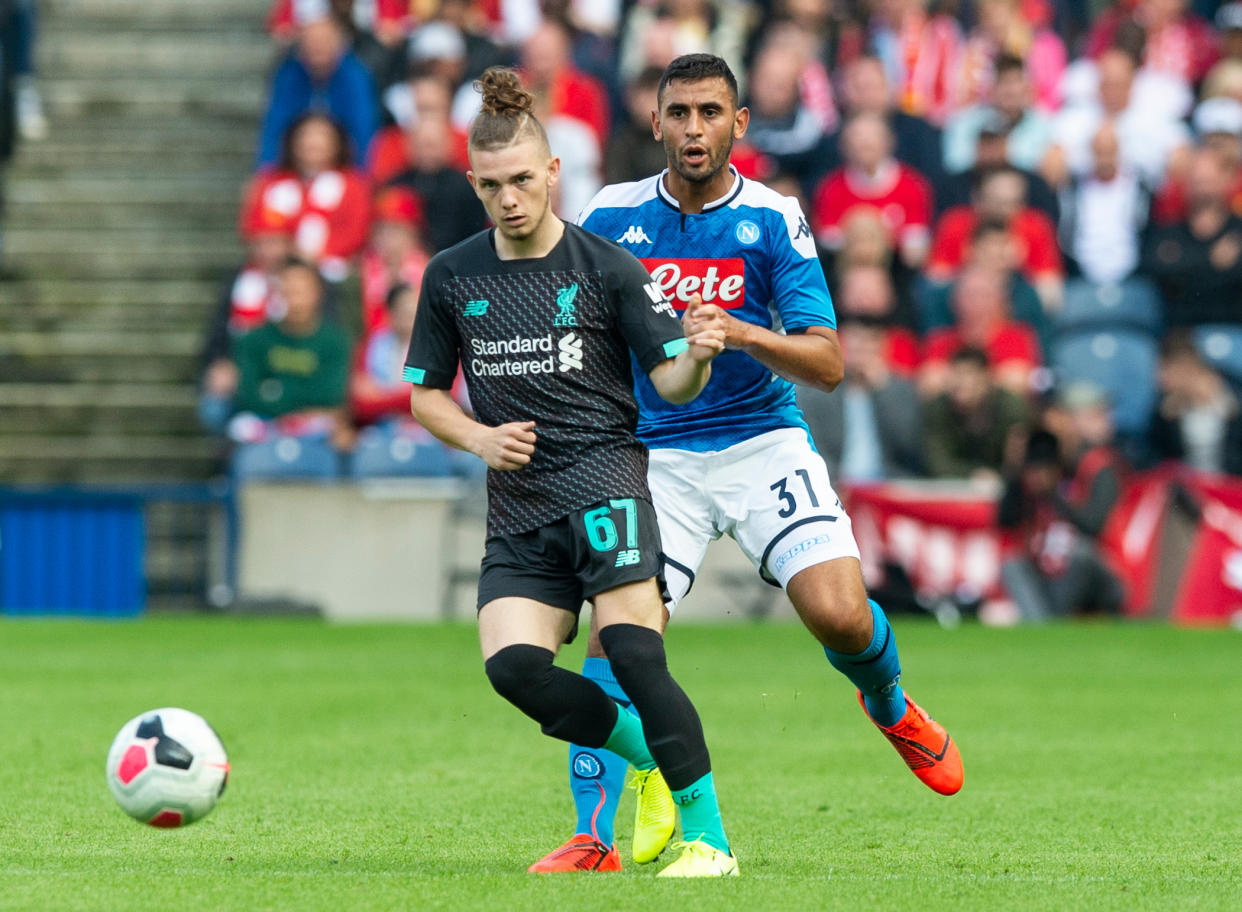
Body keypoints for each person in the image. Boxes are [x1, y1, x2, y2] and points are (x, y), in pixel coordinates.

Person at [530, 53, 963, 875]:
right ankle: (594, 835)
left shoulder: (772, 218)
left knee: (839, 614)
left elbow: (828, 362)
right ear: (656, 123)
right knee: (618, 629)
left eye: (711, 113)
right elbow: (579, 337)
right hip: (654, 453)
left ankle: (890, 703)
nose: (695, 129)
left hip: (761, 440)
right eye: (681, 113)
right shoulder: (611, 216)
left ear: (740, 124)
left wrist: (741, 332)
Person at [403, 68, 739, 878]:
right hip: (518, 504)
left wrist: (695, 357)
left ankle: (712, 841)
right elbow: (424, 399)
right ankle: (650, 765)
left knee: (631, 650)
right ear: (473, 185)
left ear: (553, 173)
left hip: (603, 483)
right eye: (491, 187)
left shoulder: (606, 266)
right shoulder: (453, 275)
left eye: (522, 180)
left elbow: (668, 384)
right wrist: (479, 439)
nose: (509, 200)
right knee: (514, 670)